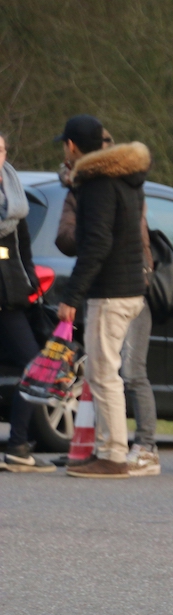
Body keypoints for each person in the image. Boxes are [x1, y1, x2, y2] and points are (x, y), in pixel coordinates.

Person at [53, 128, 160, 475]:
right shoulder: (126, 179)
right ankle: (105, 449)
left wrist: (72, 295)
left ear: (72, 145)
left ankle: (112, 455)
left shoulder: (98, 185)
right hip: (130, 288)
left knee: (102, 374)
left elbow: (96, 244)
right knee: (106, 372)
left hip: (111, 291)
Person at [0, 132, 55, 472]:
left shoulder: (13, 190)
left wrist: (32, 281)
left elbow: (22, 244)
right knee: (35, 366)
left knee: (35, 366)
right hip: (4, 298)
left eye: (2, 148)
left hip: (15, 296)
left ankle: (19, 442)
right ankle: (18, 445)